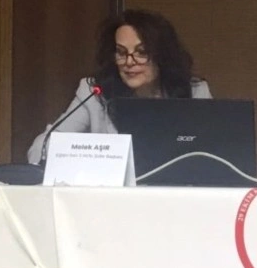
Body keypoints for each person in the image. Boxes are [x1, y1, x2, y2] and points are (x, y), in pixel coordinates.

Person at [27, 9, 212, 164]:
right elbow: (39, 149)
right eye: (121, 53)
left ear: (162, 55)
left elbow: (215, 153)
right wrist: (89, 154)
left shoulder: (195, 92)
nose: (129, 62)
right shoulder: (94, 94)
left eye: (141, 52)